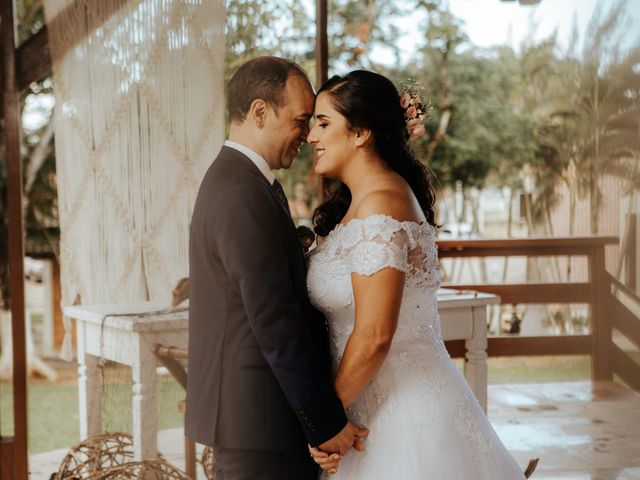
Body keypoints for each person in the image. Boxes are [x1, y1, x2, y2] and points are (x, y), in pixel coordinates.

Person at [305, 70, 529, 478]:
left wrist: (325, 421)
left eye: (323, 124)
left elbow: (375, 335)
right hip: (372, 413)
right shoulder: (364, 202)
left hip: (404, 419)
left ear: (361, 133)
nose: (310, 138)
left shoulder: (381, 205)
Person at [185, 56, 367, 480]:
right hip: (258, 420)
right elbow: (275, 321)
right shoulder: (240, 191)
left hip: (261, 417)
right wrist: (326, 421)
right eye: (301, 120)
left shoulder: (244, 182)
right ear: (260, 112)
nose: (308, 135)